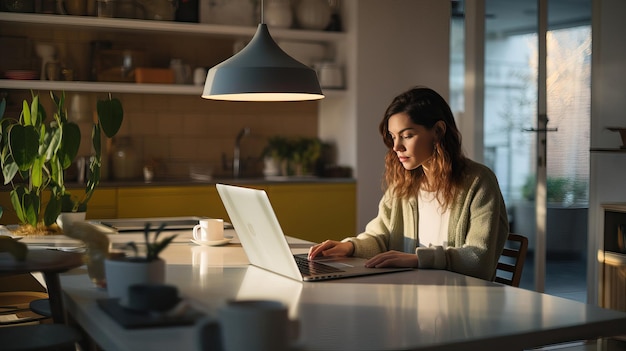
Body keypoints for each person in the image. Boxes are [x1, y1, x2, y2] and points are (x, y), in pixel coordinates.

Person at [308, 86, 509, 281]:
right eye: (393, 137)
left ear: (438, 131)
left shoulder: (478, 182)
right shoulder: (403, 184)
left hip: (459, 302)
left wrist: (416, 259)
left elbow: (478, 258)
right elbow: (381, 236)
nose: (396, 146)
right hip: (409, 295)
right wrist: (350, 247)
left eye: (407, 136)